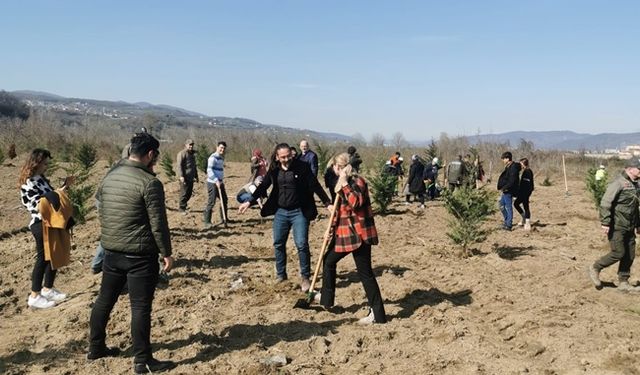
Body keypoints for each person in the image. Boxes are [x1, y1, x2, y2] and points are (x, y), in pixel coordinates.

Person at [88, 132, 175, 373]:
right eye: (155, 156)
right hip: (139, 256)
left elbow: (101, 206)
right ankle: (143, 360)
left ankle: (95, 347)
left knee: (105, 300)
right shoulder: (150, 183)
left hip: (111, 251)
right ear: (150, 155)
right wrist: (166, 252)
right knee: (140, 307)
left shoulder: (110, 176)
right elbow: (158, 223)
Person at [238, 143, 333, 292]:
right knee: (278, 243)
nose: (287, 159)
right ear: (277, 157)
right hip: (281, 212)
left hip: (299, 212)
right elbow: (263, 186)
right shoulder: (274, 170)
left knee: (301, 244)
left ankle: (305, 277)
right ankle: (281, 275)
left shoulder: (302, 167)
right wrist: (248, 202)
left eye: (288, 155)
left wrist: (327, 203)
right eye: (283, 157)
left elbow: (315, 186)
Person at [313, 153, 387, 324]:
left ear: (340, 168)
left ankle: (378, 314)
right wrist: (329, 230)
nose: (333, 171)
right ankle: (327, 300)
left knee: (365, 273)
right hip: (346, 234)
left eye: (334, 168)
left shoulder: (357, 182)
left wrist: (345, 183)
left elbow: (355, 202)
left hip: (360, 235)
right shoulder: (339, 186)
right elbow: (339, 213)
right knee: (329, 260)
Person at [18, 149, 71, 309]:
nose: (47, 166)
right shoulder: (28, 182)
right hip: (40, 224)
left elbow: (52, 197)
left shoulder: (40, 179)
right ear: (37, 162)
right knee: (42, 259)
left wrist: (64, 187)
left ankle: (47, 289)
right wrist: (53, 195)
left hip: (51, 222)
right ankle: (34, 295)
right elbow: (36, 204)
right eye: (45, 163)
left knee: (52, 256)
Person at [588, 158, 640, 292]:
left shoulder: (635, 185)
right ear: (629, 169)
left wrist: (638, 225)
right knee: (619, 252)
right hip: (616, 225)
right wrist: (605, 222)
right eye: (639, 168)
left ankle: (623, 282)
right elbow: (605, 203)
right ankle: (595, 267)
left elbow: (634, 207)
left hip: (629, 225)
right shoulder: (618, 183)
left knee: (630, 254)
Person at [203, 141, 228, 229]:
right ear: (217, 147)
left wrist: (220, 181)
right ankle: (207, 221)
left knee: (224, 199)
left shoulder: (221, 158)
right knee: (211, 201)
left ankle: (224, 218)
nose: (222, 149)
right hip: (212, 183)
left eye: (224, 148)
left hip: (220, 183)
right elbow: (209, 171)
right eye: (221, 147)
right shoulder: (212, 158)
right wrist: (216, 180)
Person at [496, 151, 521, 231]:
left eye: (503, 158)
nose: (503, 160)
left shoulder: (513, 167)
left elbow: (512, 181)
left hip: (509, 190)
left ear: (508, 158)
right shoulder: (508, 166)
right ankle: (507, 221)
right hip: (505, 190)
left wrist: (505, 188)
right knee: (501, 205)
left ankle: (509, 225)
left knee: (508, 207)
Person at [176, 139, 199, 214]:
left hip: (191, 177)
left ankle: (184, 205)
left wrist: (196, 176)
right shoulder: (182, 154)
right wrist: (181, 176)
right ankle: (181, 208)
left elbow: (194, 166)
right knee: (184, 193)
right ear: (186, 145)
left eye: (192, 145)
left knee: (189, 193)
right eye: (189, 145)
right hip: (184, 177)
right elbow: (179, 166)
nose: (191, 146)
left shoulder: (192, 154)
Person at [514, 158, 534, 231]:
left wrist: (526, 193)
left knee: (526, 206)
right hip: (522, 192)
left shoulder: (527, 172)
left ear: (523, 163)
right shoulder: (525, 171)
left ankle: (528, 223)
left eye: (521, 163)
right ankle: (523, 217)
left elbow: (527, 184)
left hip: (525, 192)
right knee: (516, 204)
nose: (520, 165)